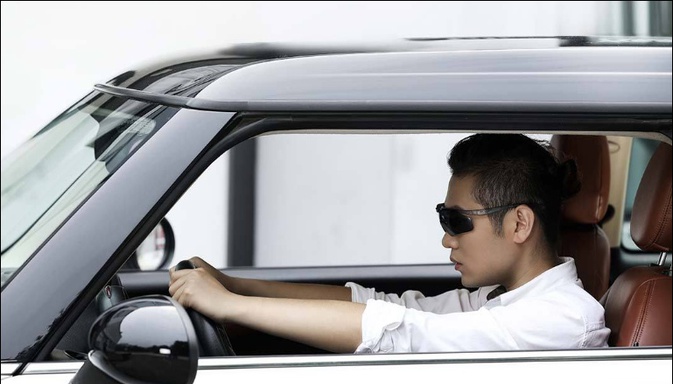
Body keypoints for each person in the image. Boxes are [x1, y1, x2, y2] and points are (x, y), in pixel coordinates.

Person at [169, 133, 610, 354]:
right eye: (444, 219)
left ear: (519, 224)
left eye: (457, 221)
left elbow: (406, 332)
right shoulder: (499, 298)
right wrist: (235, 285)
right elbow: (388, 306)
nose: (446, 238)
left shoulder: (563, 318)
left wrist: (230, 306)